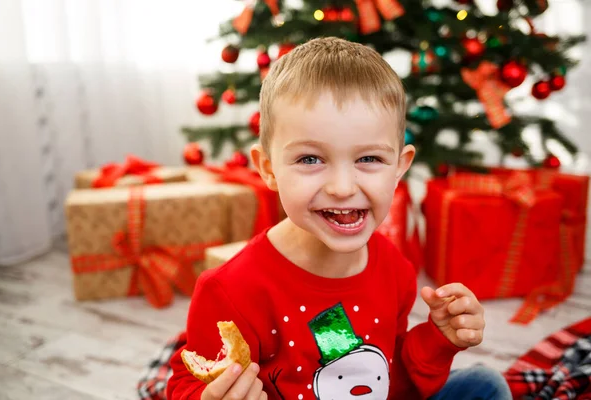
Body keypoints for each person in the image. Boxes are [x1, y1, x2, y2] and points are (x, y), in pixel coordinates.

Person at [167, 37, 512, 400]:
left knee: (485, 385)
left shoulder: (394, 269)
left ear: (400, 166)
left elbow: (390, 374)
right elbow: (188, 381)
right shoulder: (230, 291)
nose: (343, 187)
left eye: (369, 159)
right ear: (268, 169)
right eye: (310, 159)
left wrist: (439, 338)